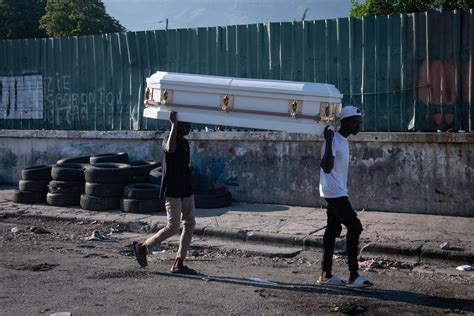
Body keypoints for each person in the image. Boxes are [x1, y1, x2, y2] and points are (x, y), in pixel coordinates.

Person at [317, 105, 373, 288]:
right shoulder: (333, 139)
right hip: (334, 192)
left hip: (336, 190)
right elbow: (326, 167)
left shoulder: (342, 140)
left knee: (332, 230)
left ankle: (325, 274)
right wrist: (327, 140)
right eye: (356, 122)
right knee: (355, 227)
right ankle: (353, 275)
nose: (358, 126)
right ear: (347, 122)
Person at [132, 111, 195, 273]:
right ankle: (143, 247)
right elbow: (170, 149)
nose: (190, 128)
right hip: (173, 190)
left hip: (186, 189)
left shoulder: (186, 144)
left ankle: (179, 261)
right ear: (178, 126)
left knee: (190, 223)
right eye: (186, 125)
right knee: (173, 227)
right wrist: (173, 124)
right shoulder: (169, 140)